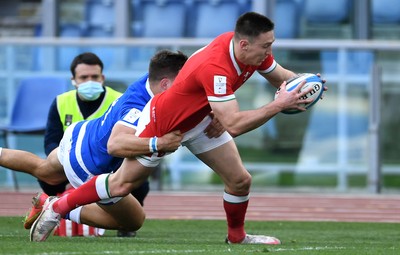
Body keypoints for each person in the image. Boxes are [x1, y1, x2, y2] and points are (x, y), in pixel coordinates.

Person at [30, 12, 327, 244]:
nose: (269, 51)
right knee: (121, 184)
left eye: (271, 44)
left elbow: (281, 78)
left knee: (240, 181)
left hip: (200, 121)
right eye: (267, 45)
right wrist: (277, 105)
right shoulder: (218, 67)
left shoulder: (249, 50)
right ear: (244, 44)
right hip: (164, 122)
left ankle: (237, 236)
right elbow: (234, 124)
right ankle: (58, 206)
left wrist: (306, 82)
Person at [0, 49, 219, 239]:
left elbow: (188, 85)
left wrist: (214, 108)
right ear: (166, 83)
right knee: (133, 221)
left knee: (44, 170)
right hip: (91, 164)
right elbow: (116, 145)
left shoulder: (153, 77)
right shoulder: (138, 105)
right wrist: (158, 143)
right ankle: (53, 204)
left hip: (79, 135)